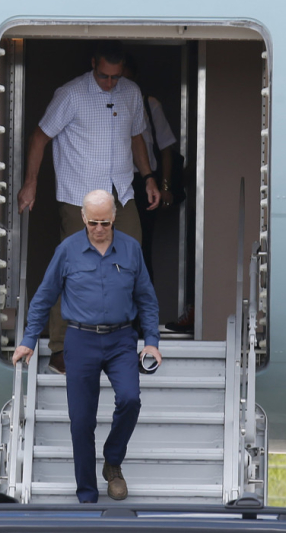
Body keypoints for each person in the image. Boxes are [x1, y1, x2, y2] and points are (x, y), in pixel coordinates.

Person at [18, 41, 161, 374]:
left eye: (115, 76)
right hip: (79, 197)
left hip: (121, 194)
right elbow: (39, 136)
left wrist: (149, 177)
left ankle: (126, 342)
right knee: (73, 270)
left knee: (131, 265)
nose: (109, 82)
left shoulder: (131, 92)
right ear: (93, 63)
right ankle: (59, 350)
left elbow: (137, 136)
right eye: (103, 75)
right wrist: (31, 183)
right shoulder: (71, 94)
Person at [12, 190, 161, 503]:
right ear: (83, 218)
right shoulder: (68, 250)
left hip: (121, 339)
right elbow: (43, 296)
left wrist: (151, 342)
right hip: (80, 340)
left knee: (131, 400)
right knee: (81, 420)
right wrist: (28, 340)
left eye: (105, 222)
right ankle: (87, 494)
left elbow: (146, 298)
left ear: (114, 218)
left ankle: (112, 460)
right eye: (93, 222)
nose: (99, 229)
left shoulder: (131, 249)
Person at [123, 55, 177, 281]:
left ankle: (143, 315)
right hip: (113, 181)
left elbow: (165, 148)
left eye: (125, 79)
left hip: (144, 182)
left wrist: (164, 185)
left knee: (142, 248)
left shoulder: (148, 104)